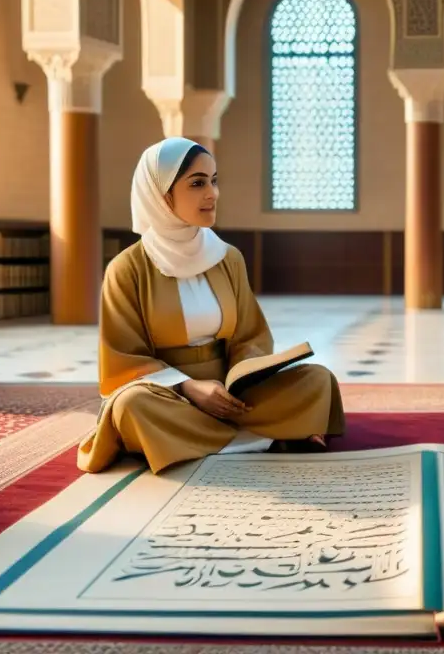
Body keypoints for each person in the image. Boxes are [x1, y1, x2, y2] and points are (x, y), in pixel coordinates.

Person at [78, 137, 345, 474]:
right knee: (132, 407)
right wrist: (191, 388)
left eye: (214, 181)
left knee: (317, 380)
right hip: (169, 396)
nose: (212, 193)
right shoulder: (127, 269)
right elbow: (123, 361)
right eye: (197, 183)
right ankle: (261, 439)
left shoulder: (227, 258)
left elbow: (251, 335)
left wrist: (240, 378)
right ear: (161, 196)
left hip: (232, 397)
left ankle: (207, 440)